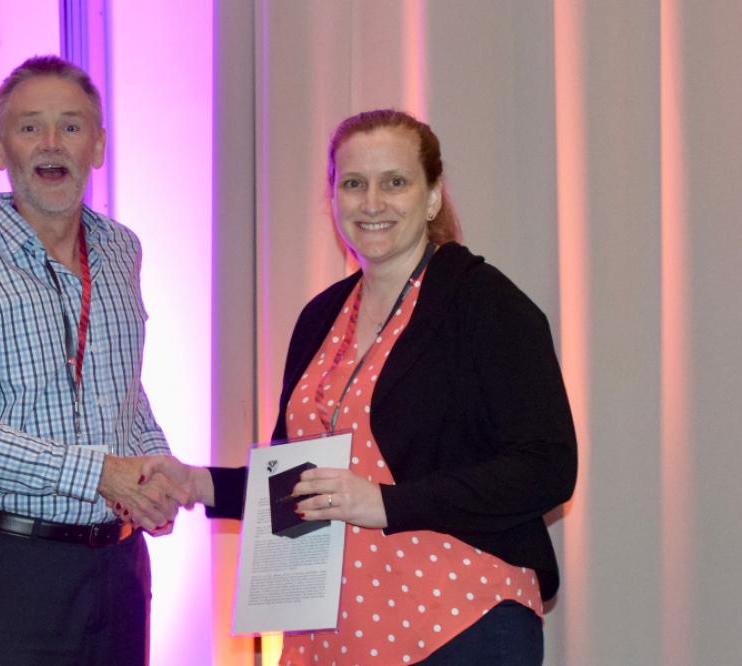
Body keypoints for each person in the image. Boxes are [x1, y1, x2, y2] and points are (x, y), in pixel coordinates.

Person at [141, 109, 578, 664]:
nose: (372, 203)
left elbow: (548, 466)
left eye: (395, 182)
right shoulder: (321, 316)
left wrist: (386, 503)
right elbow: (302, 483)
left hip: (460, 623)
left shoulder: (486, 305)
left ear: (434, 196)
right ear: (333, 199)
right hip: (333, 633)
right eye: (354, 184)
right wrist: (197, 483)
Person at [0, 55, 187, 666]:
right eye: (30, 126)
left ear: (99, 144)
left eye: (71, 125)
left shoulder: (121, 249)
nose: (52, 143)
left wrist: (153, 473)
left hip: (120, 567)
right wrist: (95, 473)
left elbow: (122, 388)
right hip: (11, 571)